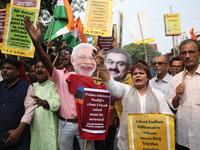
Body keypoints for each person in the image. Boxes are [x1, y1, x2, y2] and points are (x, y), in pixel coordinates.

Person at [24, 16, 86, 150]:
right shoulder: (58, 75)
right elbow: (46, 63)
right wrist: (36, 42)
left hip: (83, 123)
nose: (63, 55)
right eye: (61, 53)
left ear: (74, 57)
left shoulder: (84, 75)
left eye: (66, 53)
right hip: (65, 124)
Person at [93, 51, 173, 150]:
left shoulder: (158, 94)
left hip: (150, 142)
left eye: (141, 73)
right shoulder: (126, 90)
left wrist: (159, 115)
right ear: (132, 78)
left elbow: (169, 117)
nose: (138, 75)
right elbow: (110, 83)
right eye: (135, 74)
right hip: (129, 141)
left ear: (148, 77)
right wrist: (101, 66)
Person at [167, 39, 200, 150]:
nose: (187, 56)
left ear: (199, 54)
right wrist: (177, 97)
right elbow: (173, 105)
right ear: (180, 56)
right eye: (183, 53)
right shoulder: (175, 79)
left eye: (192, 52)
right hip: (183, 138)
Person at [0, 58, 35, 149]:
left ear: (18, 72)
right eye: (3, 68)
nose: (4, 70)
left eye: (9, 68)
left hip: (18, 139)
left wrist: (18, 131)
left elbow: (29, 109)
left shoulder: (27, 86)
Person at [30, 61, 60, 150]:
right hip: (34, 126)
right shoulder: (31, 86)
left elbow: (57, 103)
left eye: (43, 67)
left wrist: (44, 102)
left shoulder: (54, 85)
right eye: (37, 67)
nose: (39, 69)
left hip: (49, 127)